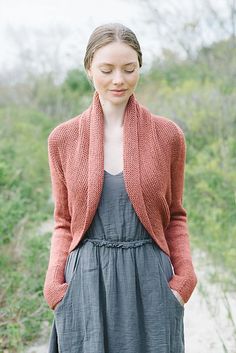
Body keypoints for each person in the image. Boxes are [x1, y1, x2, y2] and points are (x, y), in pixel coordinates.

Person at [43, 22, 198, 353]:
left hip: (151, 283)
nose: (118, 80)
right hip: (86, 284)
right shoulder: (63, 139)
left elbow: (175, 216)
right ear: (88, 69)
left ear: (139, 67)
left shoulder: (168, 135)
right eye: (107, 69)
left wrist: (183, 281)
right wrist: (55, 286)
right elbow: (64, 221)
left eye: (129, 69)